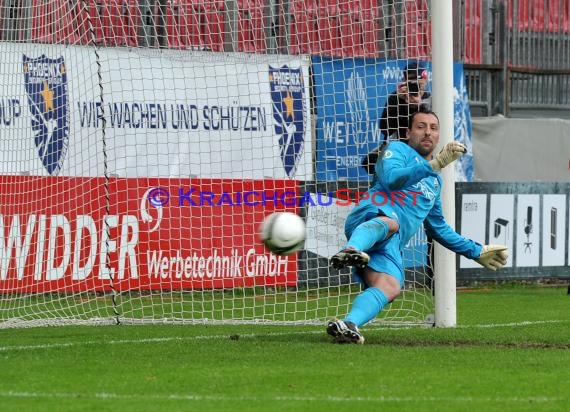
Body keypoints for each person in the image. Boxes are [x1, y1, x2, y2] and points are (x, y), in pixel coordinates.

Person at [327, 108, 508, 344]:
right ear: (408, 132)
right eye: (421, 126)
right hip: (370, 217)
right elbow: (392, 179)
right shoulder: (395, 150)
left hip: (391, 242)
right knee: (390, 221)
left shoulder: (434, 182)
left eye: (433, 128)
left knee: (391, 286)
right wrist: (433, 164)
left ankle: (348, 324)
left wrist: (475, 251)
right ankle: (350, 251)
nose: (427, 133)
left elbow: (438, 229)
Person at [362, 62, 431, 175]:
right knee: (369, 162)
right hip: (398, 146)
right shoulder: (396, 98)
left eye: (420, 85)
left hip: (421, 147)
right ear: (405, 82)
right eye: (412, 84)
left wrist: (418, 107)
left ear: (425, 82)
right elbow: (385, 129)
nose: (416, 89)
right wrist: (399, 101)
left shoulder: (431, 100)